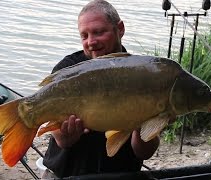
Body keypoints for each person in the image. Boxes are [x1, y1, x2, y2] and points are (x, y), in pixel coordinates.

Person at [42, 0, 160, 178]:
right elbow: (61, 140)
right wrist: (67, 136)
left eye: (98, 32)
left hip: (121, 174)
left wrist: (140, 122)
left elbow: (144, 152)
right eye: (84, 35)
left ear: (119, 29)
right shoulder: (67, 69)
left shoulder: (142, 74)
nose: (91, 42)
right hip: (67, 174)